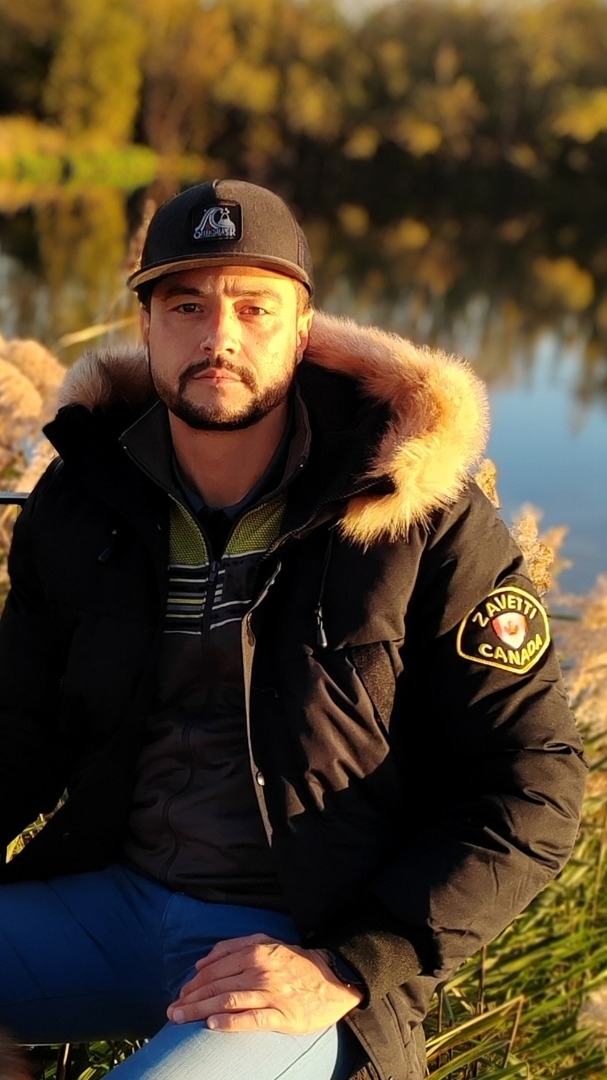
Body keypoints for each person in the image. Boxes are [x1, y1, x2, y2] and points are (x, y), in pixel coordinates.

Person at [0, 179, 586, 1080]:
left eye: (253, 307)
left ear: (304, 329)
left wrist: (354, 962)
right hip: (114, 905)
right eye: (186, 305)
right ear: (146, 326)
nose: (218, 336)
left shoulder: (414, 513)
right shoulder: (85, 498)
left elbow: (535, 780)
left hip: (305, 951)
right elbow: (21, 732)